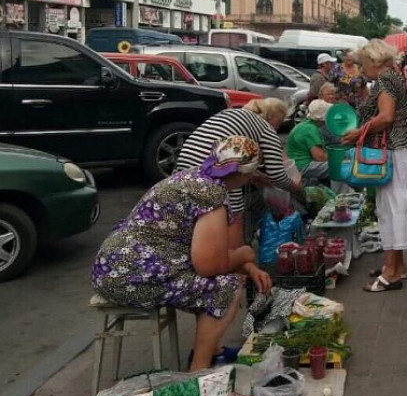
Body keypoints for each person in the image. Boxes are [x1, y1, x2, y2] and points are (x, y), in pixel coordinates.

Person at [92, 137, 273, 371]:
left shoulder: (197, 177)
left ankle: (213, 352)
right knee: (225, 287)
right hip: (132, 276)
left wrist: (248, 266)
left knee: (216, 281)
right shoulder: (210, 194)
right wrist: (245, 254)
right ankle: (198, 370)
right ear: (244, 174)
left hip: (113, 266)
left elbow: (214, 250)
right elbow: (209, 265)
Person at [341, 39, 407, 292]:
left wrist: (359, 133)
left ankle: (391, 273)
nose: (361, 67)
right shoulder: (394, 77)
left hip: (393, 153)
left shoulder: (385, 81)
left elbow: (386, 117)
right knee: (396, 207)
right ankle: (397, 266)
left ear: (374, 60)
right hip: (401, 151)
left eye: (363, 62)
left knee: (392, 210)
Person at [176, 98, 302, 246]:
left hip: (185, 164)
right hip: (218, 167)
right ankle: (235, 253)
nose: (277, 129)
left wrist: (258, 176)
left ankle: (205, 249)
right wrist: (295, 187)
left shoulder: (228, 114)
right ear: (274, 118)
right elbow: (277, 174)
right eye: (280, 123)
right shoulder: (266, 128)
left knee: (196, 212)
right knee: (233, 215)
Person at [286, 99, 333, 182]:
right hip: (302, 166)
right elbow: (320, 157)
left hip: (296, 165)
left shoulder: (305, 124)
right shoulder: (310, 129)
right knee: (339, 168)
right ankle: (339, 194)